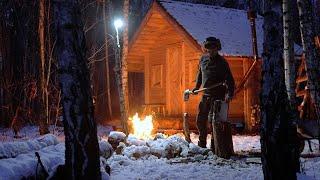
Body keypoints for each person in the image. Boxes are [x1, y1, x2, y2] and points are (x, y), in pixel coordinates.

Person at [193, 36, 235, 148]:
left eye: (213, 48)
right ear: (206, 48)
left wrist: (230, 93)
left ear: (217, 48)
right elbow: (200, 75)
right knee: (200, 120)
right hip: (205, 96)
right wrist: (196, 87)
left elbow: (230, 80)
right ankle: (202, 143)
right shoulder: (203, 60)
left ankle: (214, 145)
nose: (211, 50)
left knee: (214, 121)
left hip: (218, 97)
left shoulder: (222, 62)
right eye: (208, 48)